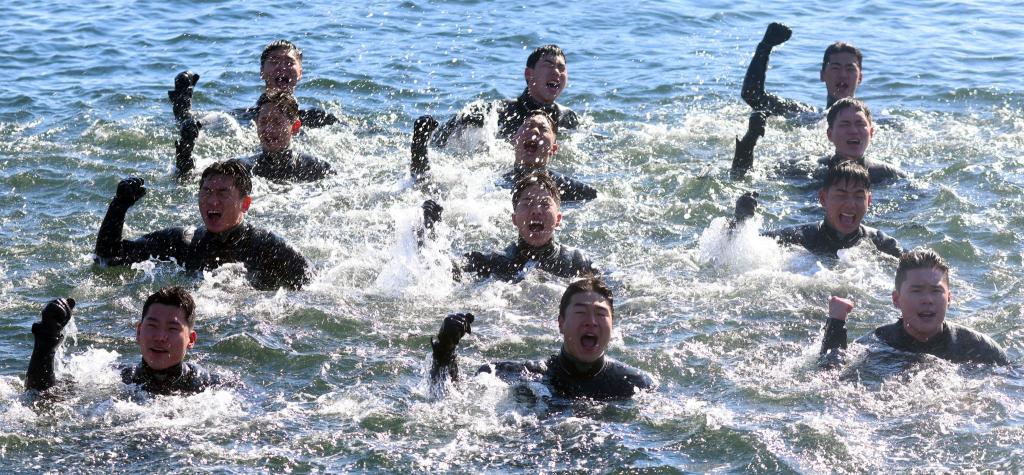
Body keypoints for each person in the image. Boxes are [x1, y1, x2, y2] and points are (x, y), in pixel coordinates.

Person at [94, 159, 310, 290]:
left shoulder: (268, 248)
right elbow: (108, 257)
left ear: (245, 203)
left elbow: (313, 288)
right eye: (206, 192)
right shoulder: (183, 242)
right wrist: (118, 208)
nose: (212, 201)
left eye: (223, 193)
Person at [429, 276, 653, 400]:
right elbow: (451, 403)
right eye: (581, 312)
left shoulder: (635, 385)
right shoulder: (529, 376)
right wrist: (445, 351)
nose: (591, 321)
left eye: (601, 314)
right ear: (561, 324)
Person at [819, 249, 1009, 366]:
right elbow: (829, 378)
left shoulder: (979, 349)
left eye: (936, 291)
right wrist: (836, 323)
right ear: (896, 299)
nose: (927, 300)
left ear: (949, 298)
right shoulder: (876, 345)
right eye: (917, 291)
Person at [25, 287, 227, 396]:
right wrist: (46, 340)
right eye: (152, 326)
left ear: (191, 340)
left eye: (172, 329)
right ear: (139, 332)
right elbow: (42, 399)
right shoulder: (115, 378)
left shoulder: (210, 386)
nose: (160, 336)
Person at [421, 171, 597, 282]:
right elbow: (443, 271)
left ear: (558, 219)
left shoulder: (577, 261)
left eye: (545, 204)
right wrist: (429, 233)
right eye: (527, 203)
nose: (536, 211)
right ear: (514, 219)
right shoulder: (495, 262)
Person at [413, 110, 596, 202]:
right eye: (528, 126)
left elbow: (598, 200)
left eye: (542, 129)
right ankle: (419, 150)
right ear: (514, 140)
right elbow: (435, 191)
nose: (533, 131)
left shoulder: (569, 188)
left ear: (553, 148)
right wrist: (419, 151)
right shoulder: (491, 182)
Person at [732, 161, 903, 258]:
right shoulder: (799, 238)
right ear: (823, 199)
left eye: (859, 196)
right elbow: (739, 250)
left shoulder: (882, 244)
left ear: (869, 201)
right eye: (841, 195)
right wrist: (740, 221)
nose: (851, 204)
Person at [429, 44, 580, 148]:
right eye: (548, 65)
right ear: (529, 74)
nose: (556, 72)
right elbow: (439, 140)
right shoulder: (497, 112)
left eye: (562, 68)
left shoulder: (567, 118)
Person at [167, 39, 338, 129]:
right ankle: (182, 110)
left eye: (289, 62)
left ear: (300, 73)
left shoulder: (316, 118)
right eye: (274, 61)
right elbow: (204, 124)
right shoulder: (239, 118)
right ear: (262, 72)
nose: (282, 67)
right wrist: (188, 122)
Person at [732, 98, 906, 181]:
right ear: (829, 134)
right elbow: (743, 176)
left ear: (872, 132)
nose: (853, 131)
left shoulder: (887, 174)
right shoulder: (810, 169)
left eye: (860, 124)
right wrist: (749, 141)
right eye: (845, 124)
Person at [176, 90, 332, 182]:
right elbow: (190, 179)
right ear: (256, 123)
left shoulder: (317, 168)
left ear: (295, 127)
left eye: (277, 122)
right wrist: (184, 155)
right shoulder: (242, 167)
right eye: (263, 121)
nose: (268, 129)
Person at [741, 23, 862, 119]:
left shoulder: (873, 123)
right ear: (822, 75)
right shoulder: (804, 115)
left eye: (850, 69)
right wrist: (765, 47)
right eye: (836, 68)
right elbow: (752, 95)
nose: (843, 74)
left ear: (860, 77)